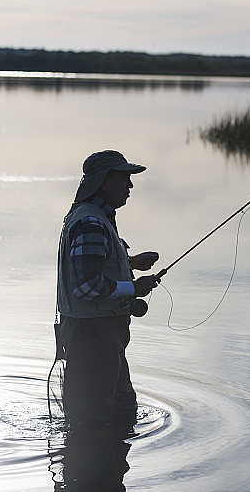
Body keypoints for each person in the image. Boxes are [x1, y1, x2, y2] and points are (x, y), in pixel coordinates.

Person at [56, 150, 162, 433]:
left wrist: (129, 263)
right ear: (104, 182)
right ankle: (93, 457)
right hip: (93, 334)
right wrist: (134, 287)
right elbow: (85, 286)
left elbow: (89, 267)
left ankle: (96, 455)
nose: (130, 185)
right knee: (100, 416)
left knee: (118, 411)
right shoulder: (91, 223)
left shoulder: (92, 217)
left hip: (95, 333)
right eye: (124, 178)